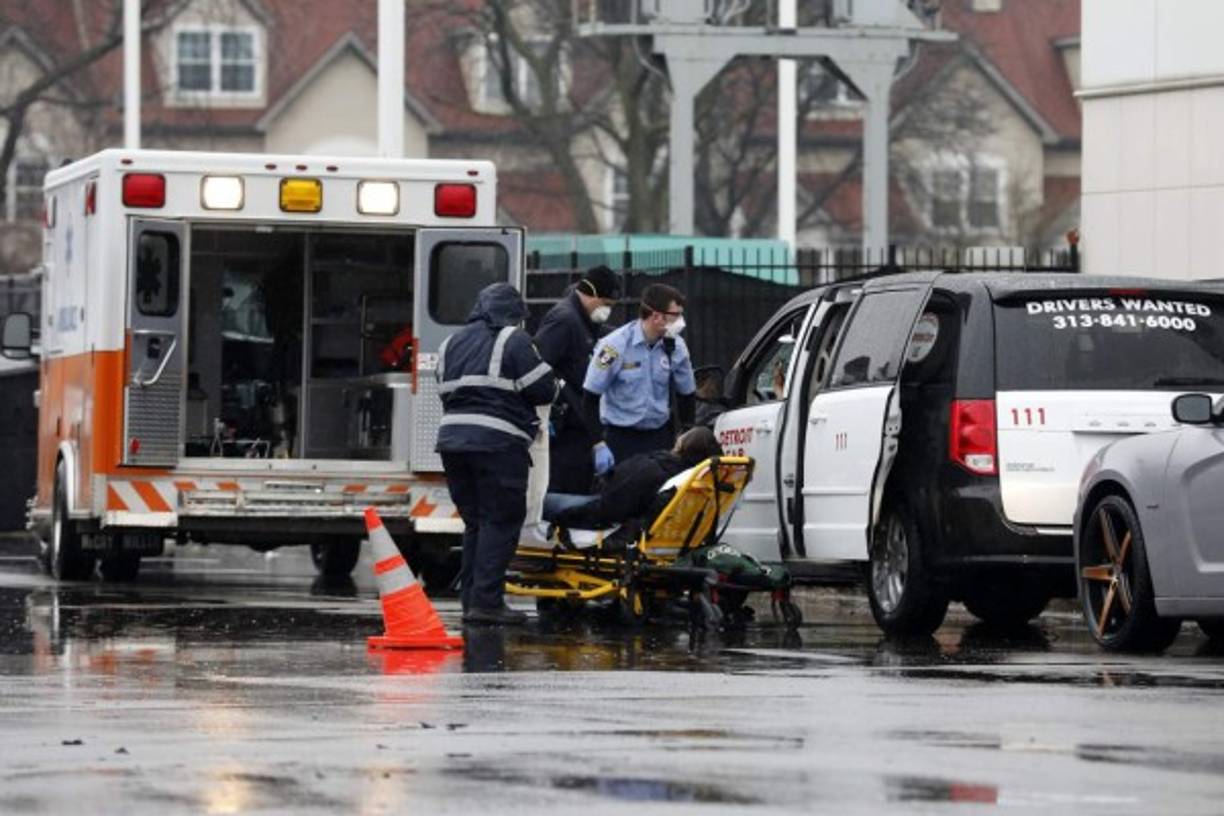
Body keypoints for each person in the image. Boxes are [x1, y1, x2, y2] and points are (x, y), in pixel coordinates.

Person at [435, 282, 557, 626]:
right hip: (497, 445)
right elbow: (543, 389)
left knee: (476, 522)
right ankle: (487, 602)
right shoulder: (513, 340)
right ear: (511, 314)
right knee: (501, 520)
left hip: (453, 444)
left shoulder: (450, 343)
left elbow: (444, 391)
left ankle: (473, 600)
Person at [582, 283, 697, 464]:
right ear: (656, 317)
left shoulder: (676, 347)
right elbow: (590, 397)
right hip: (621, 439)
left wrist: (686, 436)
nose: (681, 321)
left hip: (659, 437)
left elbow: (687, 395)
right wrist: (598, 444)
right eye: (676, 315)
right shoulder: (614, 346)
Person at [533, 265, 619, 494]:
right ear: (590, 293)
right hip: (565, 428)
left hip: (579, 424)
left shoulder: (586, 322)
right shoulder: (565, 320)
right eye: (606, 304)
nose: (607, 311)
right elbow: (539, 366)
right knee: (564, 493)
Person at [542, 427, 724, 529]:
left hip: (601, 508)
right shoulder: (685, 479)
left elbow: (608, 508)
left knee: (540, 504)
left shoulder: (654, 469)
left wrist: (566, 517)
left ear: (682, 443)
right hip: (618, 507)